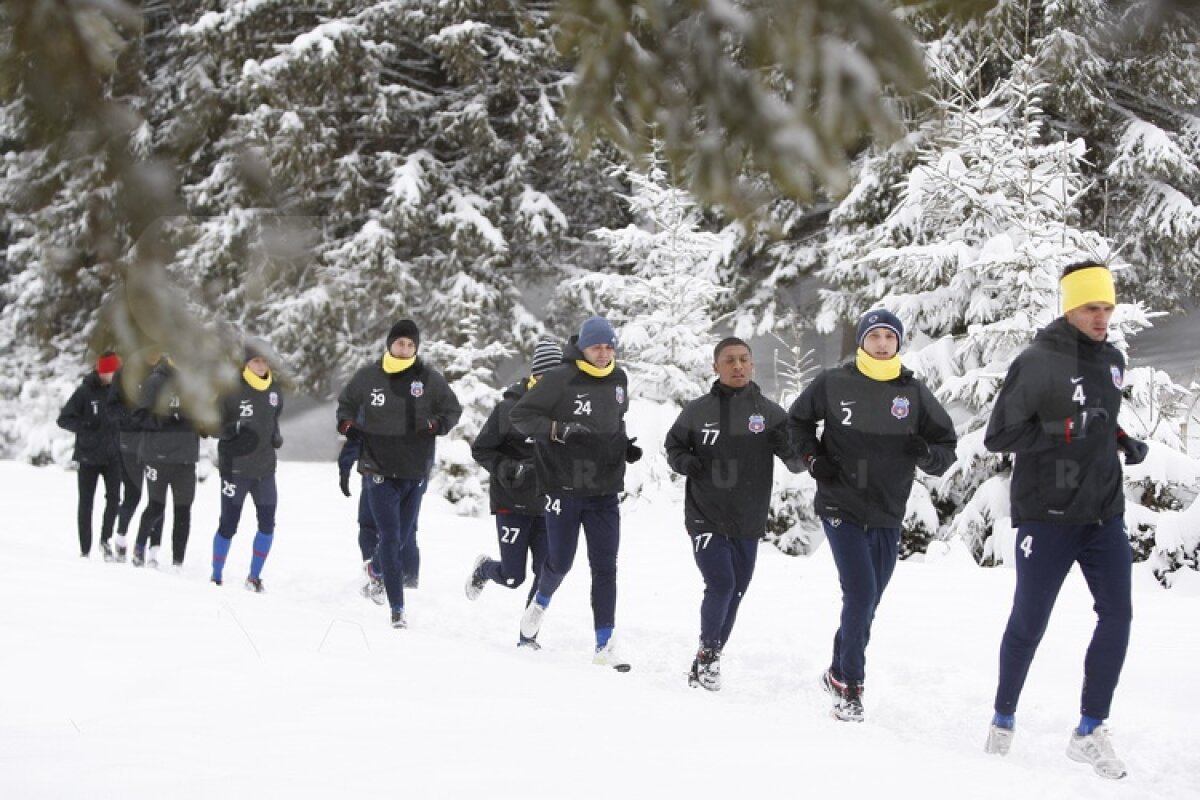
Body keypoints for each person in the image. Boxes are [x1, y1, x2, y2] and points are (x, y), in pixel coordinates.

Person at [982, 262, 1146, 780]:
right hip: (1048, 516)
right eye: (1091, 308)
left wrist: (1121, 440)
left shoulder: (1113, 360)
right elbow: (999, 436)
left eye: (1107, 308)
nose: (1102, 318)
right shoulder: (1036, 361)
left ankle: (1090, 730)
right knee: (1029, 622)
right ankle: (1003, 718)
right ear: (1070, 308)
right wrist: (1065, 429)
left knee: (1118, 615)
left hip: (1104, 514)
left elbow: (1099, 417)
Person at [788, 309, 957, 722]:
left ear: (899, 343)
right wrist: (813, 459)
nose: (882, 344)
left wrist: (927, 453)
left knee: (868, 600)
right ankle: (850, 686)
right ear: (862, 341)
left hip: (887, 509)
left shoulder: (913, 392)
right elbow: (797, 422)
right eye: (874, 336)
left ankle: (835, 671)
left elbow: (945, 447)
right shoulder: (834, 382)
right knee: (861, 594)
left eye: (889, 337)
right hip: (840, 503)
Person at [664, 337, 803, 690]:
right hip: (705, 514)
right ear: (716, 367)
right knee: (721, 584)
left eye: (743, 359)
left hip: (748, 518)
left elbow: (797, 461)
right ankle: (709, 655)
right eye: (729, 360)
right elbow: (673, 446)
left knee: (736, 590)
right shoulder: (698, 411)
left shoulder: (770, 414)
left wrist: (795, 449)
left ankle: (707, 658)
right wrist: (686, 462)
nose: (738, 366)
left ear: (752, 364)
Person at [508, 317, 642, 670]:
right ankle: (540, 600)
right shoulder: (559, 378)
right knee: (561, 562)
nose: (604, 353)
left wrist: (623, 446)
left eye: (609, 346)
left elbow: (614, 421)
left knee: (605, 566)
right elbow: (521, 416)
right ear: (582, 347)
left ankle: (604, 645)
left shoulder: (618, 379)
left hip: (604, 489)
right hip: (562, 487)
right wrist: (557, 429)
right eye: (597, 346)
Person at [336, 320, 462, 628]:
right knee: (391, 538)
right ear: (389, 344)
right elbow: (346, 405)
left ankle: (376, 571)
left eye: (410, 344)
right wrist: (348, 427)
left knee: (403, 538)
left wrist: (436, 424)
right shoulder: (369, 376)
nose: (404, 349)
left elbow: (452, 410)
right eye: (400, 343)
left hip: (414, 470)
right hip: (378, 468)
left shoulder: (428, 378)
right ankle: (397, 611)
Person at [464, 338, 561, 647]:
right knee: (511, 577)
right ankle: (484, 569)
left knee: (545, 573)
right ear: (535, 376)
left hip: (547, 506)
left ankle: (527, 638)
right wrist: (509, 469)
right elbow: (481, 449)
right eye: (547, 377)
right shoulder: (509, 408)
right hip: (512, 502)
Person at [211, 340, 284, 592]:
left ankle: (254, 577)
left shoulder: (274, 391)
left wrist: (276, 435)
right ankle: (216, 575)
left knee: (267, 524)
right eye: (256, 361)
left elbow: (273, 420)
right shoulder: (231, 391)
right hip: (236, 470)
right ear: (246, 364)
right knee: (228, 524)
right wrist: (231, 429)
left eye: (264, 361)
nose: (261, 366)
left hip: (265, 470)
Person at [131, 352, 201, 569]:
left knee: (183, 510)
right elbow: (138, 416)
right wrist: (164, 419)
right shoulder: (155, 381)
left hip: (185, 458)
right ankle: (139, 549)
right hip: (157, 456)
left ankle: (178, 562)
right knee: (155, 506)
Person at [57, 351, 123, 559]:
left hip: (113, 456)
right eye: (111, 372)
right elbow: (64, 419)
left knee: (114, 499)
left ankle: (105, 540)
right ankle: (85, 548)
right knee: (86, 502)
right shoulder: (85, 391)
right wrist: (85, 426)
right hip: (88, 457)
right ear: (102, 372)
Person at [108, 349, 158, 562]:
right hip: (131, 442)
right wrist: (132, 416)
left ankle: (152, 549)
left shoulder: (165, 372)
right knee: (133, 495)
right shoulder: (126, 372)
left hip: (158, 444)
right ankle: (120, 538)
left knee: (157, 499)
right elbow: (111, 408)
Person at [337, 435, 384, 604]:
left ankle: (375, 572)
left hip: (374, 468)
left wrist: (345, 467)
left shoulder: (371, 416)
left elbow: (357, 435)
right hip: (406, 471)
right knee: (399, 527)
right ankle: (402, 578)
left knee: (369, 526)